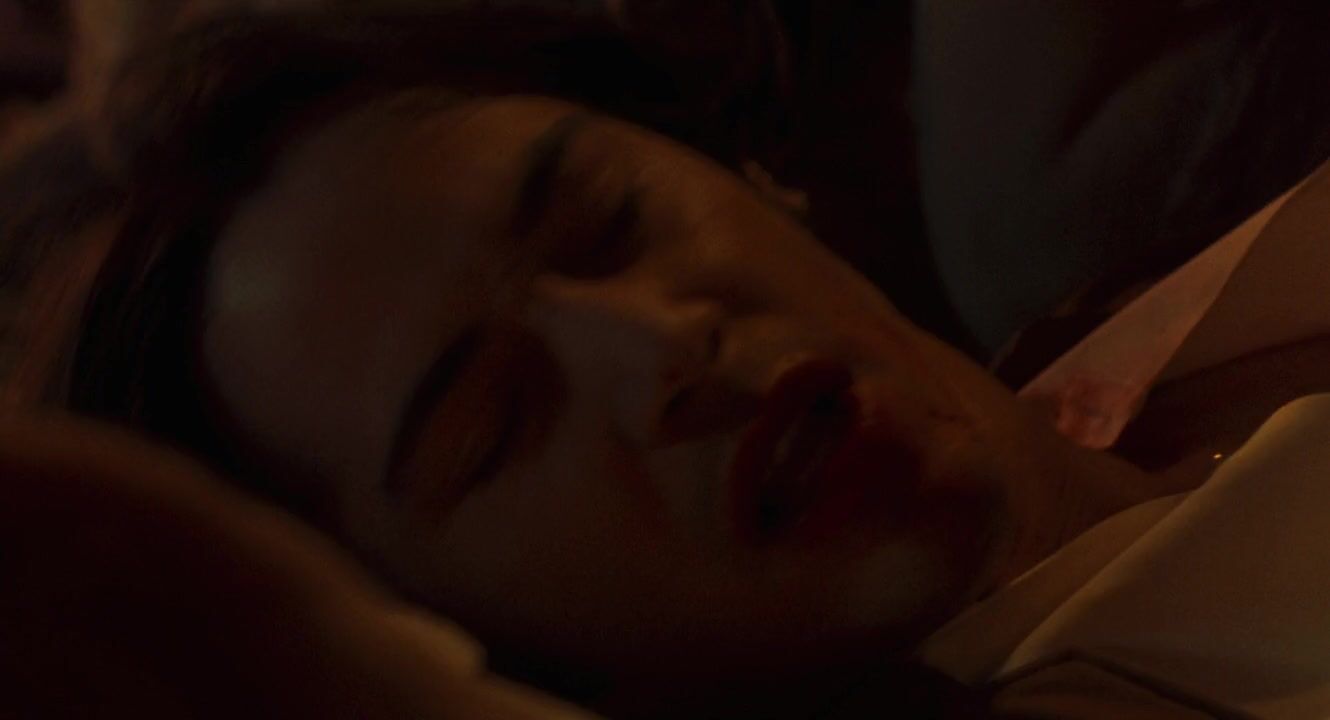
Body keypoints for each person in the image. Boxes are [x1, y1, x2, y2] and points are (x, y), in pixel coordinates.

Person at [6, 6, 1330, 719]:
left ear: (750, 176)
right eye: (494, 421)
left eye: (610, 218)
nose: (657, 348)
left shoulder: (1138, 278)